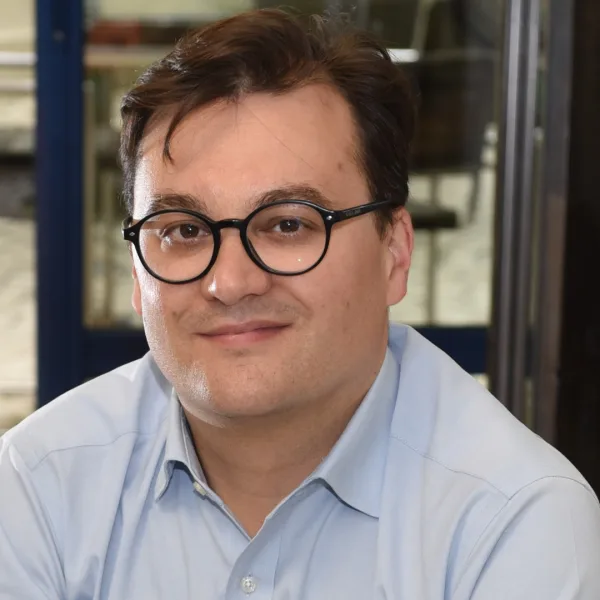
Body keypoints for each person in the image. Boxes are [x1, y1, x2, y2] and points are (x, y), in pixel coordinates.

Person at [1, 9, 599, 599]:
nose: (230, 282)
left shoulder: (513, 525)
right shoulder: (39, 489)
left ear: (394, 252)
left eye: (288, 224)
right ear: (137, 271)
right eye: (183, 230)